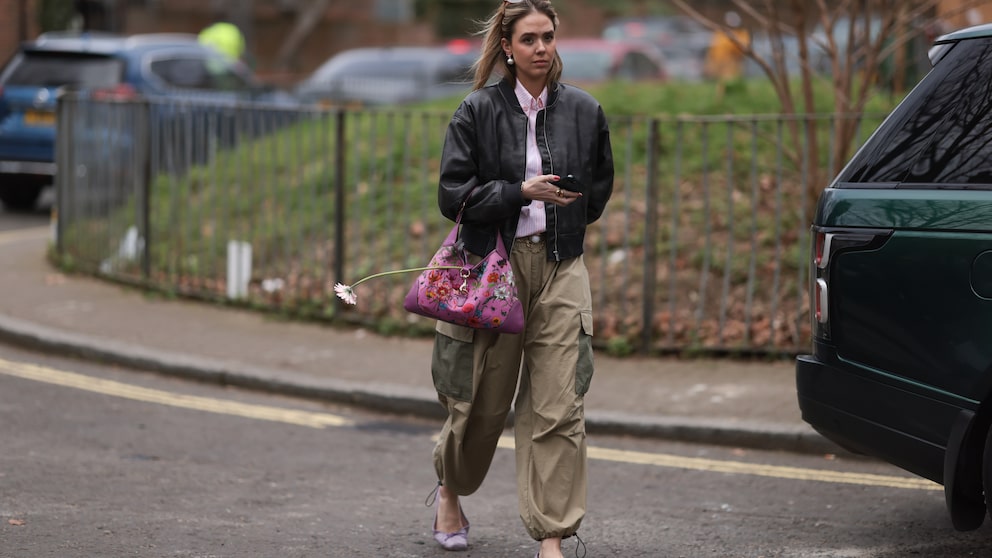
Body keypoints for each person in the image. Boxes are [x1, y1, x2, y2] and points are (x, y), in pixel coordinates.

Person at [426, 1, 614, 557]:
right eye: (528, 39)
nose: (540, 48)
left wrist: (564, 217)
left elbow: (598, 189)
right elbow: (452, 197)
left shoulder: (584, 109)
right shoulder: (477, 110)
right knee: (481, 404)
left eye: (548, 37)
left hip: (561, 266)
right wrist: (519, 194)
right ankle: (451, 487)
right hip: (497, 270)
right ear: (507, 46)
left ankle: (552, 537)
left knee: (559, 406)